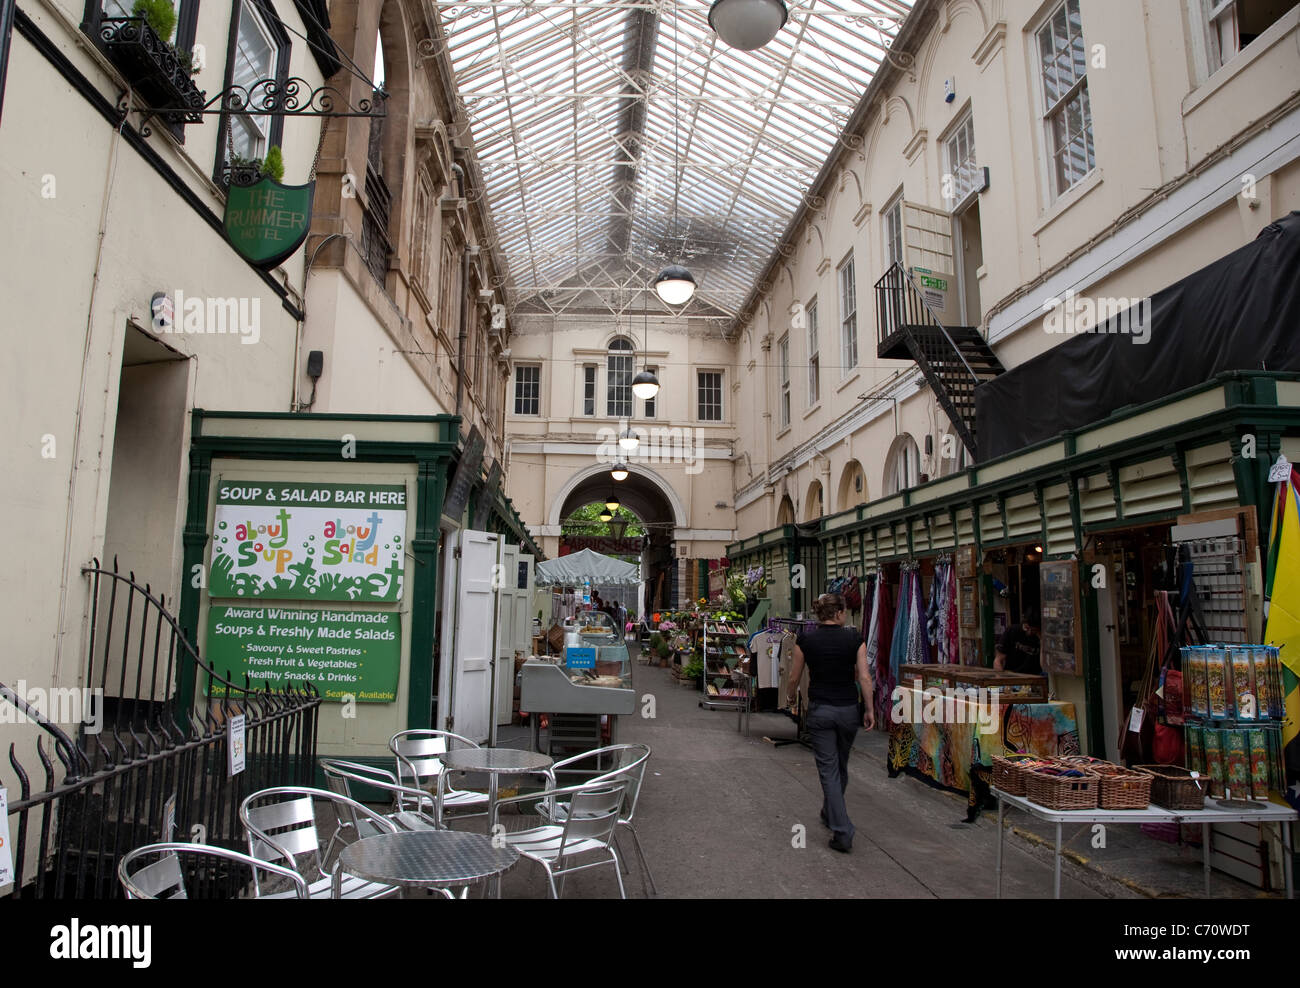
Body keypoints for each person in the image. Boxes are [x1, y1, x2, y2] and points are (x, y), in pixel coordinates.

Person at [787, 592, 874, 854]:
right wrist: (869, 708)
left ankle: (842, 829)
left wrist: (790, 696)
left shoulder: (806, 639)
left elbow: (794, 675)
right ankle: (830, 811)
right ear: (838, 613)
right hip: (848, 709)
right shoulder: (854, 638)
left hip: (821, 710)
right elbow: (865, 677)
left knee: (829, 770)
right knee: (841, 765)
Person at [994, 608, 1042, 674]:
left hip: (1034, 677)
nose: (1029, 632)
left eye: (1034, 630)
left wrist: (1041, 639)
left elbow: (1044, 664)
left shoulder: (1041, 636)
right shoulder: (1012, 631)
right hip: (1012, 675)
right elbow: (998, 660)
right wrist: (1000, 678)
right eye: (1027, 628)